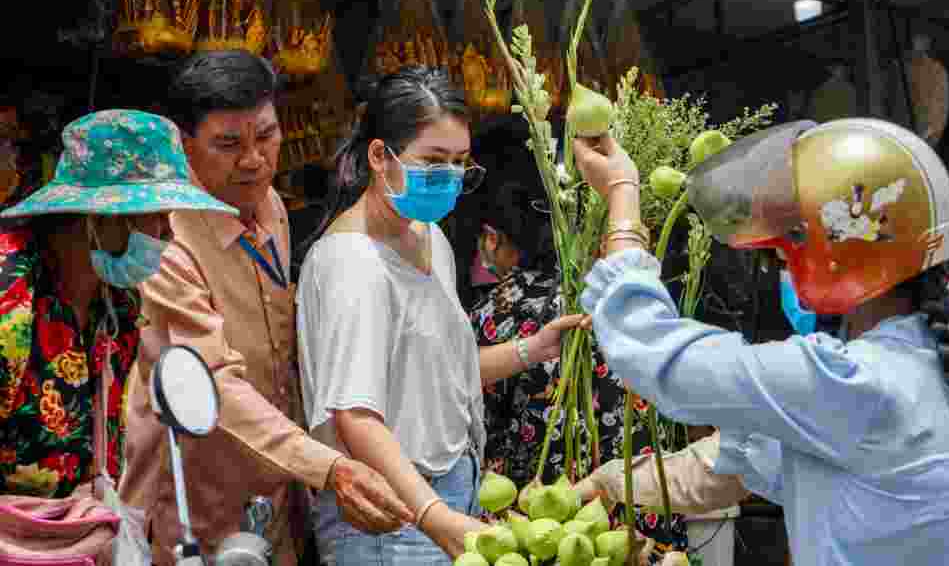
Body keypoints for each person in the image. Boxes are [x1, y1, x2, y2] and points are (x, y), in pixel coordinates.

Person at [569, 119, 949, 564]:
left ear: (830, 259)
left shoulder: (849, 383)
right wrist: (614, 483)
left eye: (786, 251)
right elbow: (745, 460)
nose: (780, 267)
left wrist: (622, 196)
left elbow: (658, 353)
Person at [119, 51, 411, 566]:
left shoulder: (271, 205)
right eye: (229, 144)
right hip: (196, 501)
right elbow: (215, 384)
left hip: (280, 493)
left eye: (267, 136)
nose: (254, 159)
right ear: (185, 145)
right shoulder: (165, 238)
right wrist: (328, 467)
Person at [296, 66, 585, 565]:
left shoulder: (427, 237)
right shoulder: (353, 262)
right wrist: (432, 515)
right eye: (433, 161)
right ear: (379, 156)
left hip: (446, 495)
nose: (449, 177)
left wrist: (533, 349)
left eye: (458, 164)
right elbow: (355, 416)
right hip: (391, 519)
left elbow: (440, 371)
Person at [0, 109, 237, 499]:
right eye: (156, 217)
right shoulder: (11, 295)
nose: (168, 234)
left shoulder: (119, 302)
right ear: (100, 216)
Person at [469, 183, 691, 560]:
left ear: (493, 238)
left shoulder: (497, 309)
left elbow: (472, 399)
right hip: (634, 490)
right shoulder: (622, 299)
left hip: (538, 508)